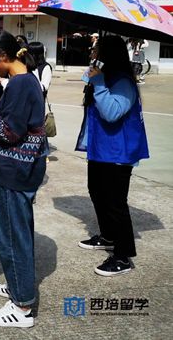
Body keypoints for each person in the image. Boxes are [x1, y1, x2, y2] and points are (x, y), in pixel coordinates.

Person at [0, 30, 47, 329]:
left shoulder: (19, 83)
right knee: (17, 232)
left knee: (12, 237)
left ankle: (22, 306)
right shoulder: (25, 80)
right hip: (22, 170)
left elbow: (7, 132)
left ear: (3, 56)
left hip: (16, 172)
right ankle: (19, 285)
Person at [76, 35, 149, 276]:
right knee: (97, 192)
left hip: (118, 152)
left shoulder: (124, 82)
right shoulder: (105, 75)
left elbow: (111, 113)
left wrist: (98, 82)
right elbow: (86, 80)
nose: (92, 53)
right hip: (100, 149)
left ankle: (123, 255)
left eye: (96, 49)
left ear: (108, 54)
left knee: (115, 202)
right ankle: (108, 236)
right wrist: (95, 75)